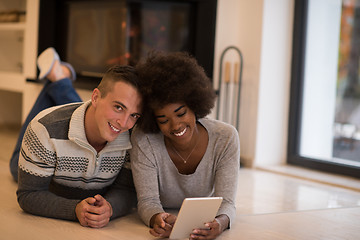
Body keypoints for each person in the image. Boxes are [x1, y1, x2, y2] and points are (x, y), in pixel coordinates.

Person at [16, 47, 142, 228]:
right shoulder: (43, 130)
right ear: (96, 97)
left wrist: (110, 208)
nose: (124, 123)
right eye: (118, 107)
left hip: (75, 126)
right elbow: (29, 193)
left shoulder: (133, 136)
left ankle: (59, 77)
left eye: (134, 115)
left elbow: (126, 190)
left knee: (95, 118)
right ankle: (59, 78)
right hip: (39, 157)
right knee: (20, 160)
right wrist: (74, 209)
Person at [130, 51, 240, 239]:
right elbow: (148, 201)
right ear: (153, 121)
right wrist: (158, 218)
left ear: (194, 106)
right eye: (163, 120)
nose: (176, 126)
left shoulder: (225, 138)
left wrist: (220, 223)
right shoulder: (145, 140)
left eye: (181, 114)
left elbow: (227, 202)